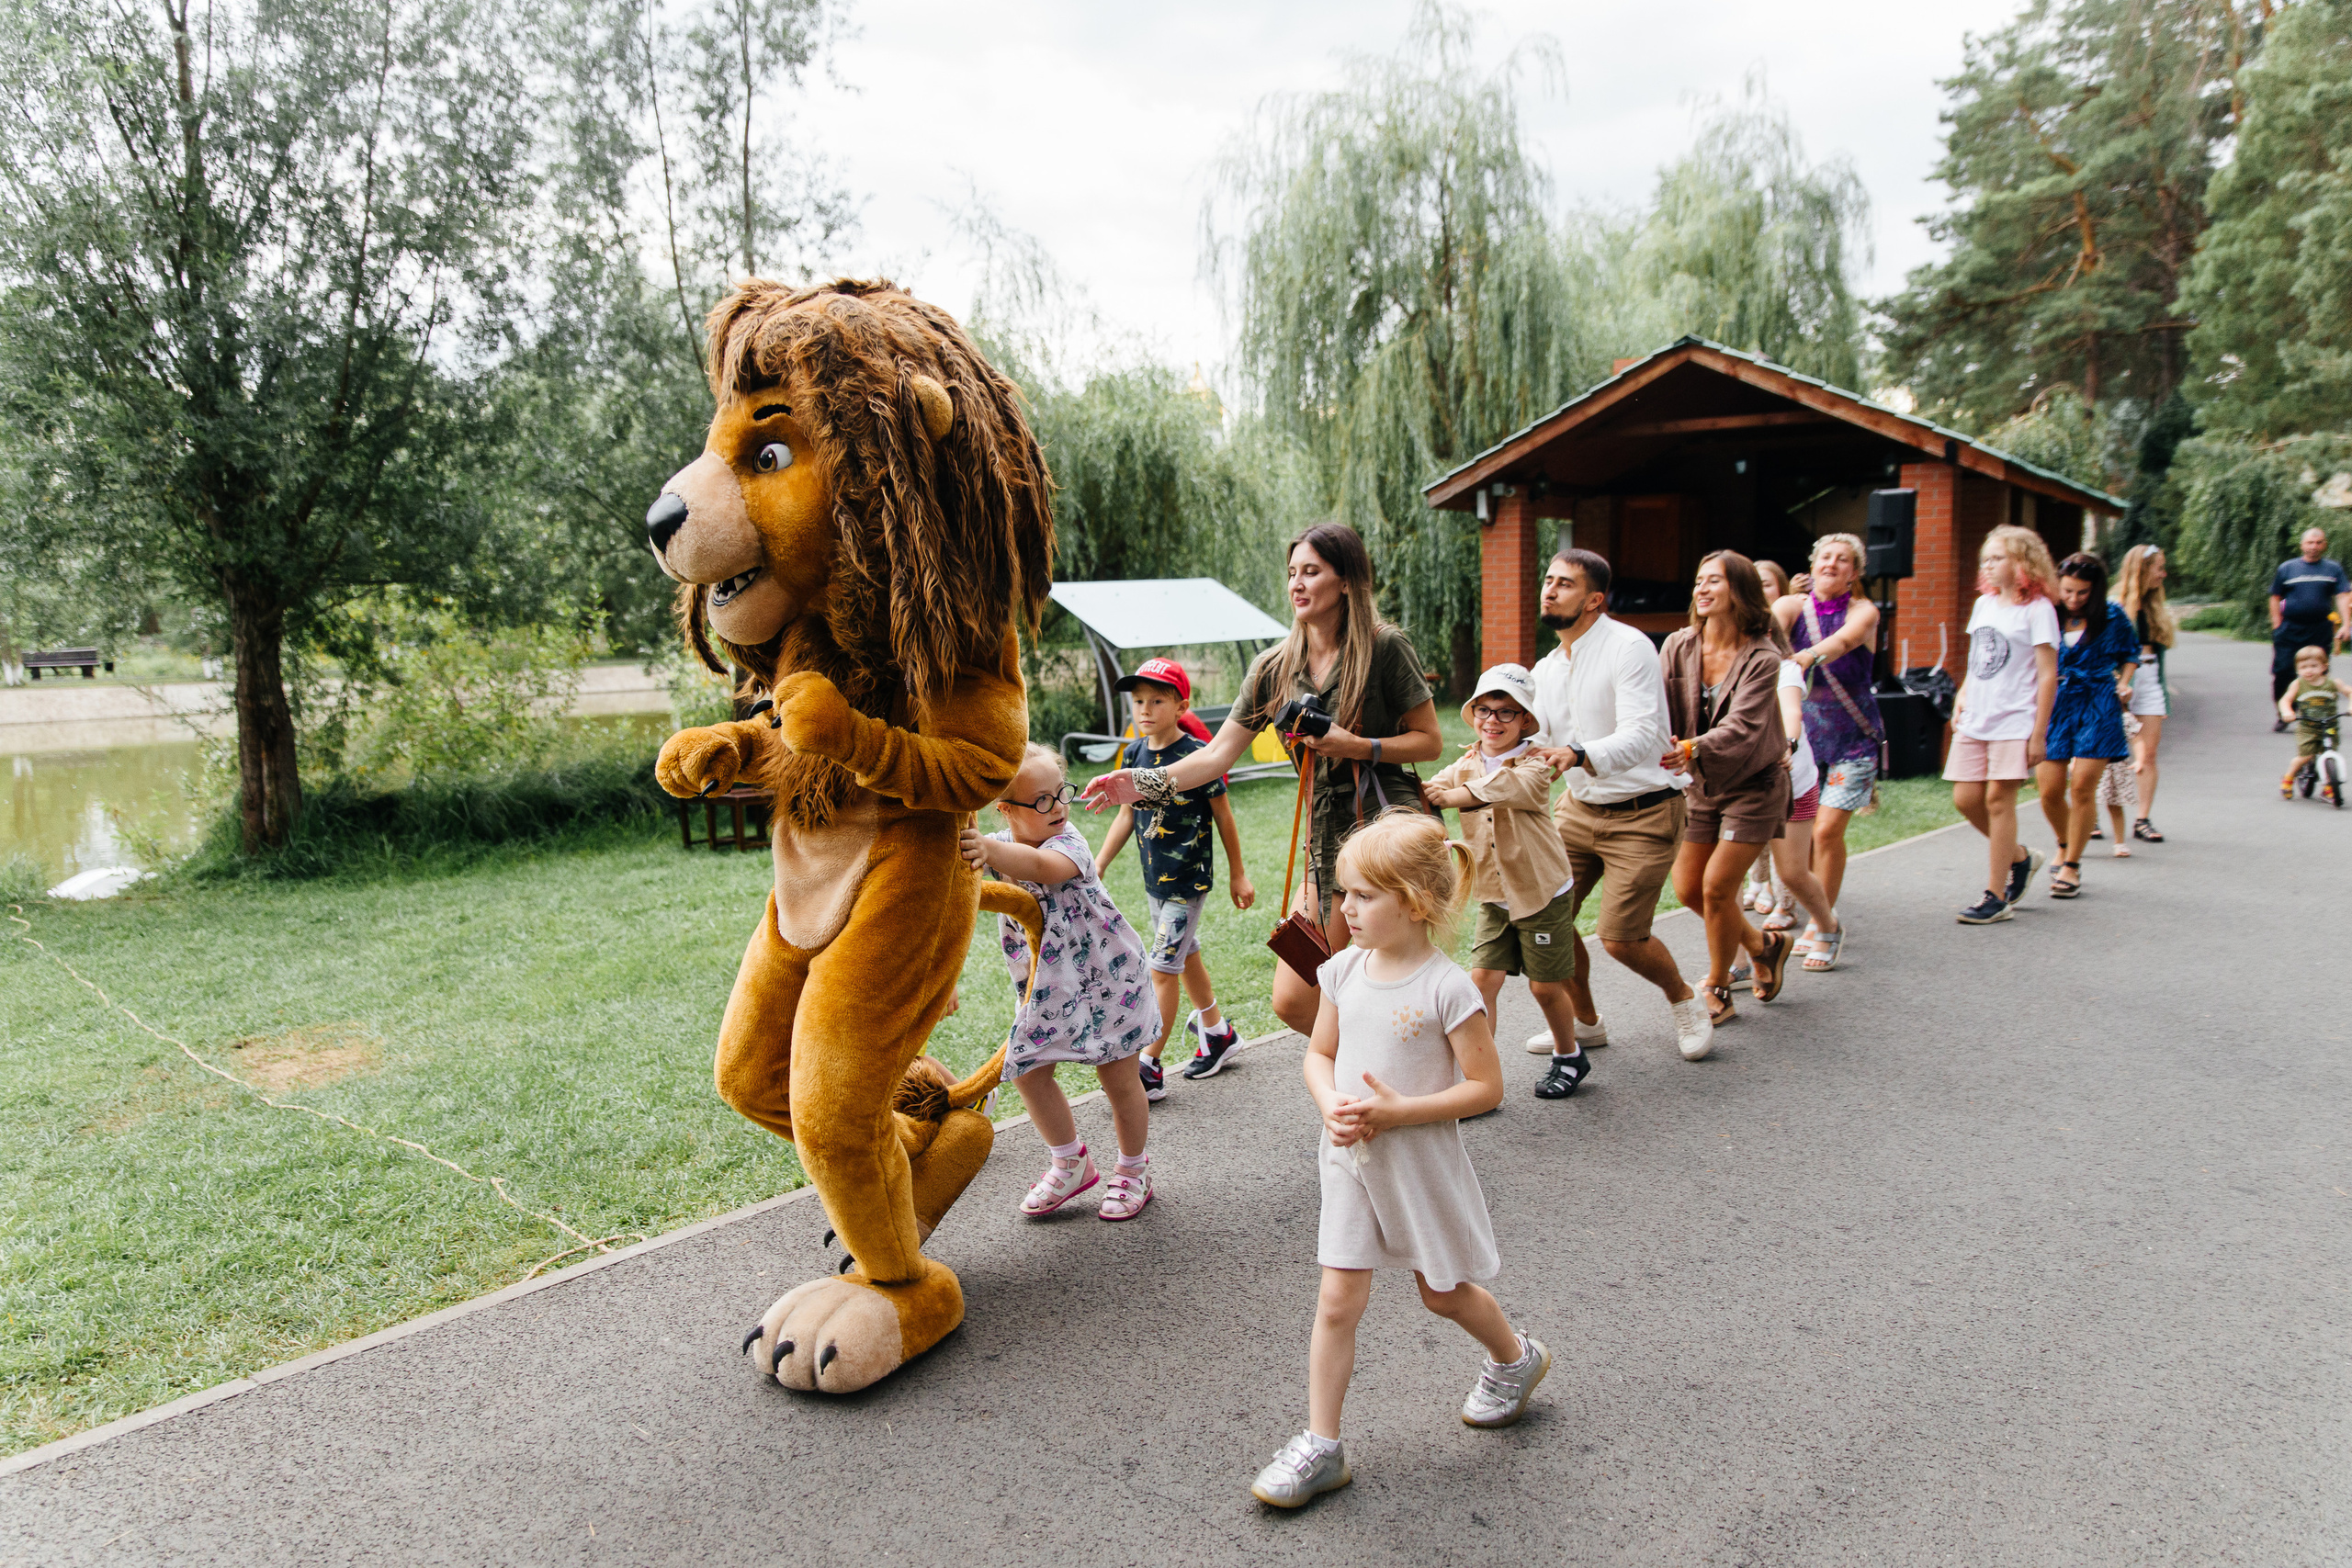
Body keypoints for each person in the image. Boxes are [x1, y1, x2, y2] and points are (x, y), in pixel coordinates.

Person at [1249, 811, 1545, 1510]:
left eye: (1362, 895)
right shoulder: (1341, 969)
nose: (1345, 908)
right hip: (1350, 1161)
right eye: (1343, 893)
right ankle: (1323, 1445)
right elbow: (1319, 1054)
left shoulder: (1448, 988)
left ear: (1413, 902)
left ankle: (1515, 1357)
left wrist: (1397, 1112)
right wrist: (1330, 1102)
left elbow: (1487, 1087)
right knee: (1336, 1300)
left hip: (1418, 1166)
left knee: (1441, 1293)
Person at [1081, 524, 1442, 1043]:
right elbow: (1215, 756)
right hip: (1324, 836)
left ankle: (1404, 1072)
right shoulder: (1274, 667)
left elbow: (1429, 741)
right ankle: (1373, 1070)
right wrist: (1142, 782)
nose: (1297, 583)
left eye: (1311, 571)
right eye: (1292, 572)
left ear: (1346, 581)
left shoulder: (1384, 647)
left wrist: (1357, 745)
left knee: (1386, 978)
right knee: (1294, 998)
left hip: (1385, 828)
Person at [1526, 549, 1712, 1062]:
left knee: (1621, 938)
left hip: (1645, 811)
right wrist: (1497, 751)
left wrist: (1577, 753)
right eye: (1548, 580)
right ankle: (1585, 1023)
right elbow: (1535, 738)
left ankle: (1684, 998)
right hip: (1578, 810)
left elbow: (1641, 733)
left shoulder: (1629, 647)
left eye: (1564, 584)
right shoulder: (1546, 668)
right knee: (1546, 919)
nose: (1549, 590)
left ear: (1594, 600)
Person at [960, 745, 1159, 1222]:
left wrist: (989, 850)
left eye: (1061, 794)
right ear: (1005, 810)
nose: (1059, 808)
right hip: (1049, 989)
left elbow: (1042, 869)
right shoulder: (996, 846)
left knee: (1118, 1078)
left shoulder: (1068, 843)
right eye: (1042, 801)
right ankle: (1070, 1161)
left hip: (1110, 980)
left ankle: (1133, 1169)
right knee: (1027, 1071)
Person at [1425, 663, 1601, 1100]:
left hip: (1540, 892)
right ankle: (1481, 1078)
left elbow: (1498, 788)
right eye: (1484, 710)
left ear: (1525, 719)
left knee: (1545, 986)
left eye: (1506, 712)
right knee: (1482, 981)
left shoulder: (1536, 765)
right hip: (1494, 895)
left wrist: (1448, 797)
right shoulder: (1466, 763)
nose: (1493, 720)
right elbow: (1432, 788)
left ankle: (1569, 1055)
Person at [1093, 657, 1256, 1098]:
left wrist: (1238, 874)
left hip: (1188, 882)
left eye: (1157, 701)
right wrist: (1100, 863)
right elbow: (1126, 815)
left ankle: (1148, 1064)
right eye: (1138, 701)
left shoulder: (1199, 757)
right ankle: (1218, 1033)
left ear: (1182, 706)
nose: (1145, 710)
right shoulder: (1134, 755)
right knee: (1186, 953)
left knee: (1161, 969)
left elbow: (1224, 816)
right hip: (1155, 880)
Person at [1659, 551, 1796, 1028]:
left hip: (1755, 785)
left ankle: (1719, 985)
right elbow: (1658, 708)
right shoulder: (1678, 645)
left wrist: (1691, 747)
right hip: (1699, 785)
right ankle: (1763, 946)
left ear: (1739, 590)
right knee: (1688, 888)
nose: (1702, 588)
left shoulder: (1763, 656)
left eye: (1714, 580)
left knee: (1718, 888)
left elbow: (1745, 726)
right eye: (1699, 580)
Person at [1947, 525, 2060, 925]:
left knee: (1998, 800)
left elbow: (2048, 674)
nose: (1988, 566)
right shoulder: (1984, 605)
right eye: (1986, 560)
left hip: (2015, 719)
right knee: (1966, 799)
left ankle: (1996, 897)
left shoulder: (2039, 610)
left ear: (2023, 562)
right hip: (1977, 716)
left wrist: (2039, 733)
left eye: (1998, 558)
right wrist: (1962, 694)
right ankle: (2021, 858)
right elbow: (1978, 659)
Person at [1775, 532, 1883, 953]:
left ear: (1854, 572)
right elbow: (1765, 634)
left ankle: (1823, 925)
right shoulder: (1791, 607)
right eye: (1825, 557)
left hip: (1853, 741)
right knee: (1802, 837)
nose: (1832, 564)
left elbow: (1845, 641)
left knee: (1827, 831)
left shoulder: (1864, 611)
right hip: (1802, 743)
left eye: (1842, 559)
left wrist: (1807, 656)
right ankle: (1815, 909)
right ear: (1813, 564)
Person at [2036, 553, 2139, 900]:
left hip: (2099, 702)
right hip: (2056, 703)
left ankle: (2072, 865)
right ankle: (2065, 842)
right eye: (2068, 590)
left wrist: (2124, 681)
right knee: (2049, 790)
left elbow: (2131, 653)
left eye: (2082, 592)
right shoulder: (2047, 613)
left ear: (2095, 590)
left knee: (2082, 787)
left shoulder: (2112, 615)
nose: (2074, 599)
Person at [2112, 544, 2175, 841]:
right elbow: (2110, 646)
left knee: (2148, 754)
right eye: (2159, 568)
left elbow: (2159, 653)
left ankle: (2142, 819)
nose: (2163, 574)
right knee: (2102, 753)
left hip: (2149, 679)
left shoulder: (2155, 606)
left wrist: (2163, 695)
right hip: (2119, 679)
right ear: (2142, 569)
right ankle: (2092, 817)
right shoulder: (2114, 604)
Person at [2268, 527, 2351, 723]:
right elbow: (2275, 597)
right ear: (2302, 545)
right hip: (2290, 628)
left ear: (2324, 545)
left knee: (2318, 671)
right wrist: (2277, 624)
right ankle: (2284, 712)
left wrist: (2346, 624)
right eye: (2310, 543)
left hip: (2319, 628)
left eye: (2318, 542)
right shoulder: (2287, 568)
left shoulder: (2333, 569)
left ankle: (2316, 714)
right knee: (2283, 670)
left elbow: (2342, 596)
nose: (2314, 546)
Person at [2278, 645, 2351, 796]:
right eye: (2303, 667)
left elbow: (2349, 692)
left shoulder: (2333, 683)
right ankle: (2288, 778)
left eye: (2313, 666)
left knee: (2329, 753)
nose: (2308, 670)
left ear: (2324, 666)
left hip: (2329, 726)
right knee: (2305, 756)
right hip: (2308, 727)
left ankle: (2328, 787)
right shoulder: (2298, 684)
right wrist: (2287, 712)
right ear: (2297, 669)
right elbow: (2285, 700)